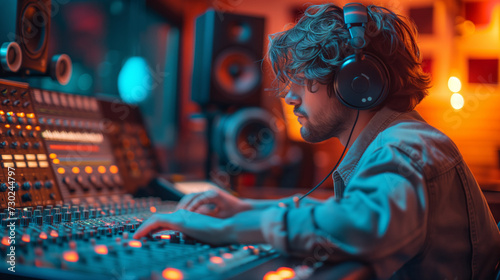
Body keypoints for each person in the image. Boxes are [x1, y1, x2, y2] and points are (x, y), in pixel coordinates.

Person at [134, 3, 500, 279]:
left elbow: (361, 226)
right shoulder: (397, 141)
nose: (289, 98)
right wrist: (243, 210)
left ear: (356, 82)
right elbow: (347, 211)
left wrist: (222, 229)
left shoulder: (404, 148)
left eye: (302, 80)